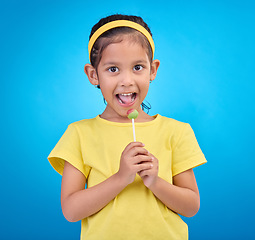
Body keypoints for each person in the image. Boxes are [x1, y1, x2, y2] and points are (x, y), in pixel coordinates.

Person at [48, 14, 207, 240]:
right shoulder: (79, 134)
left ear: (153, 70)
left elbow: (191, 207)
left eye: (138, 67)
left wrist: (155, 181)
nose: (126, 80)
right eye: (113, 69)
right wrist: (121, 177)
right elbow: (71, 211)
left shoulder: (177, 131)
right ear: (94, 75)